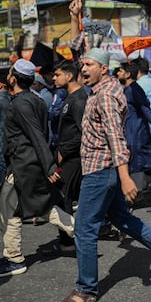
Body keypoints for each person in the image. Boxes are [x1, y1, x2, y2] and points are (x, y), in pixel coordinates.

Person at [58, 48, 151, 302]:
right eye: (82, 65)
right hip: (104, 169)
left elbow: (116, 139)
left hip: (100, 170)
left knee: (84, 229)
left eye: (89, 65)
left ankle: (86, 290)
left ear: (103, 68)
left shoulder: (104, 97)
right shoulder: (107, 88)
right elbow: (78, 50)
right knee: (123, 220)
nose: (83, 69)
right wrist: (74, 17)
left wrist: (125, 177)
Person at [0, 59, 75, 278]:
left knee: (10, 212)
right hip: (29, 164)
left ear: (13, 78)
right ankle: (83, 235)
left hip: (23, 166)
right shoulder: (35, 100)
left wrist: (49, 166)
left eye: (9, 72)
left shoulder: (20, 104)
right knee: (39, 208)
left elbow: (37, 135)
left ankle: (14, 259)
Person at [116, 62, 151, 193]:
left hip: (138, 134)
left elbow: (146, 109)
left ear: (127, 74)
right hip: (131, 133)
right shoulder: (128, 89)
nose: (117, 73)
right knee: (146, 165)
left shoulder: (135, 89)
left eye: (120, 71)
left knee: (147, 165)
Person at [53, 60, 88, 214]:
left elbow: (84, 133)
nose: (54, 78)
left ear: (69, 76)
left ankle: (68, 235)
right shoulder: (70, 98)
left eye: (57, 75)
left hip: (75, 157)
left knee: (63, 195)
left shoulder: (79, 100)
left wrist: (64, 151)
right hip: (70, 156)